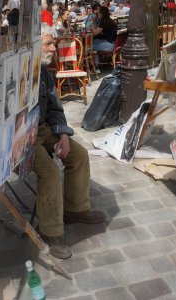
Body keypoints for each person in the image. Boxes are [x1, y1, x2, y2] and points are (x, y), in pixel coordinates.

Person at [34, 25, 105, 259]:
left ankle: (75, 209)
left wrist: (63, 135)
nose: (54, 48)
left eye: (53, 43)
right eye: (48, 43)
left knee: (79, 155)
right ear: (33, 45)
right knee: (50, 171)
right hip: (22, 138)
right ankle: (50, 232)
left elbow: (55, 107)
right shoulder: (18, 71)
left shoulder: (45, 73)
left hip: (44, 130)